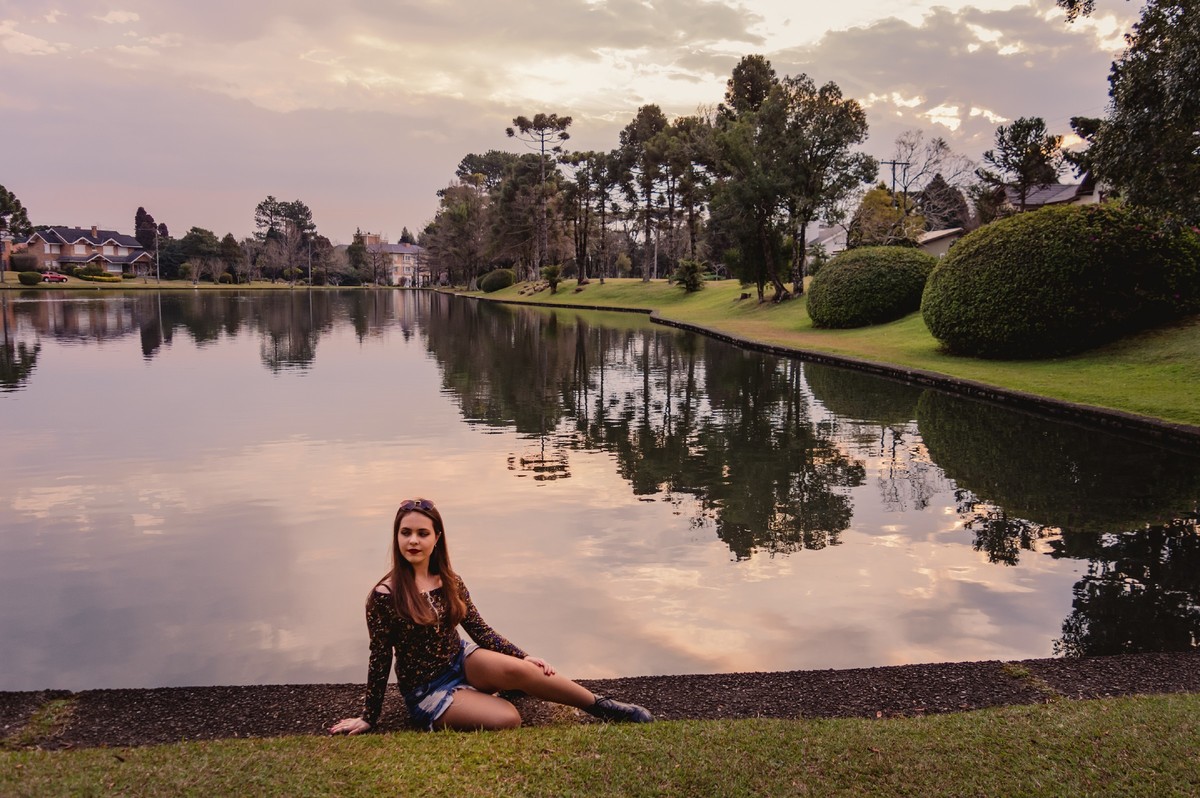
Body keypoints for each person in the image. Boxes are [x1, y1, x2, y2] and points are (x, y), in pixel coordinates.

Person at [329, 498, 654, 733]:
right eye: (406, 533)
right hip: (427, 690)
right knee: (508, 718)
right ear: (397, 536)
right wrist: (369, 716)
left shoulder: (450, 581)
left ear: (437, 538)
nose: (413, 541)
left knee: (526, 672)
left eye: (422, 533)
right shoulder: (384, 596)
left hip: (461, 659)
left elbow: (480, 630)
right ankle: (477, 695)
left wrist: (524, 657)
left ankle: (601, 706)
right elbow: (380, 657)